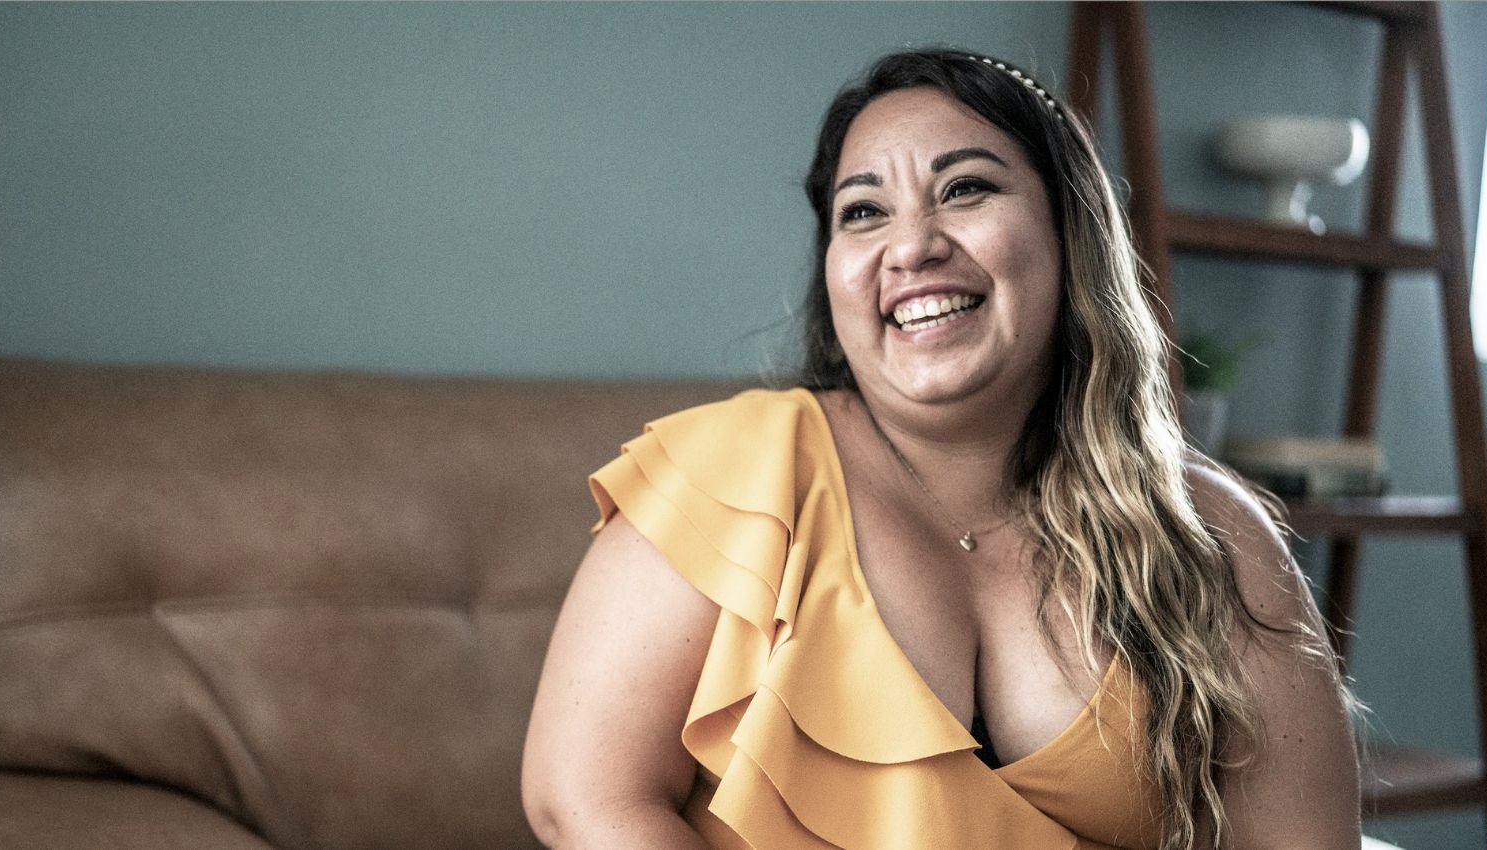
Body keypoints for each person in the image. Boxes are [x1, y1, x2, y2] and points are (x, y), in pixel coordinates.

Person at [520, 49, 1359, 850]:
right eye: (863, 211)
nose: (911, 245)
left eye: (964, 190)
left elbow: (1301, 838)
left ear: (1071, 233)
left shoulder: (1209, 534)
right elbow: (585, 800)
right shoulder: (735, 469)